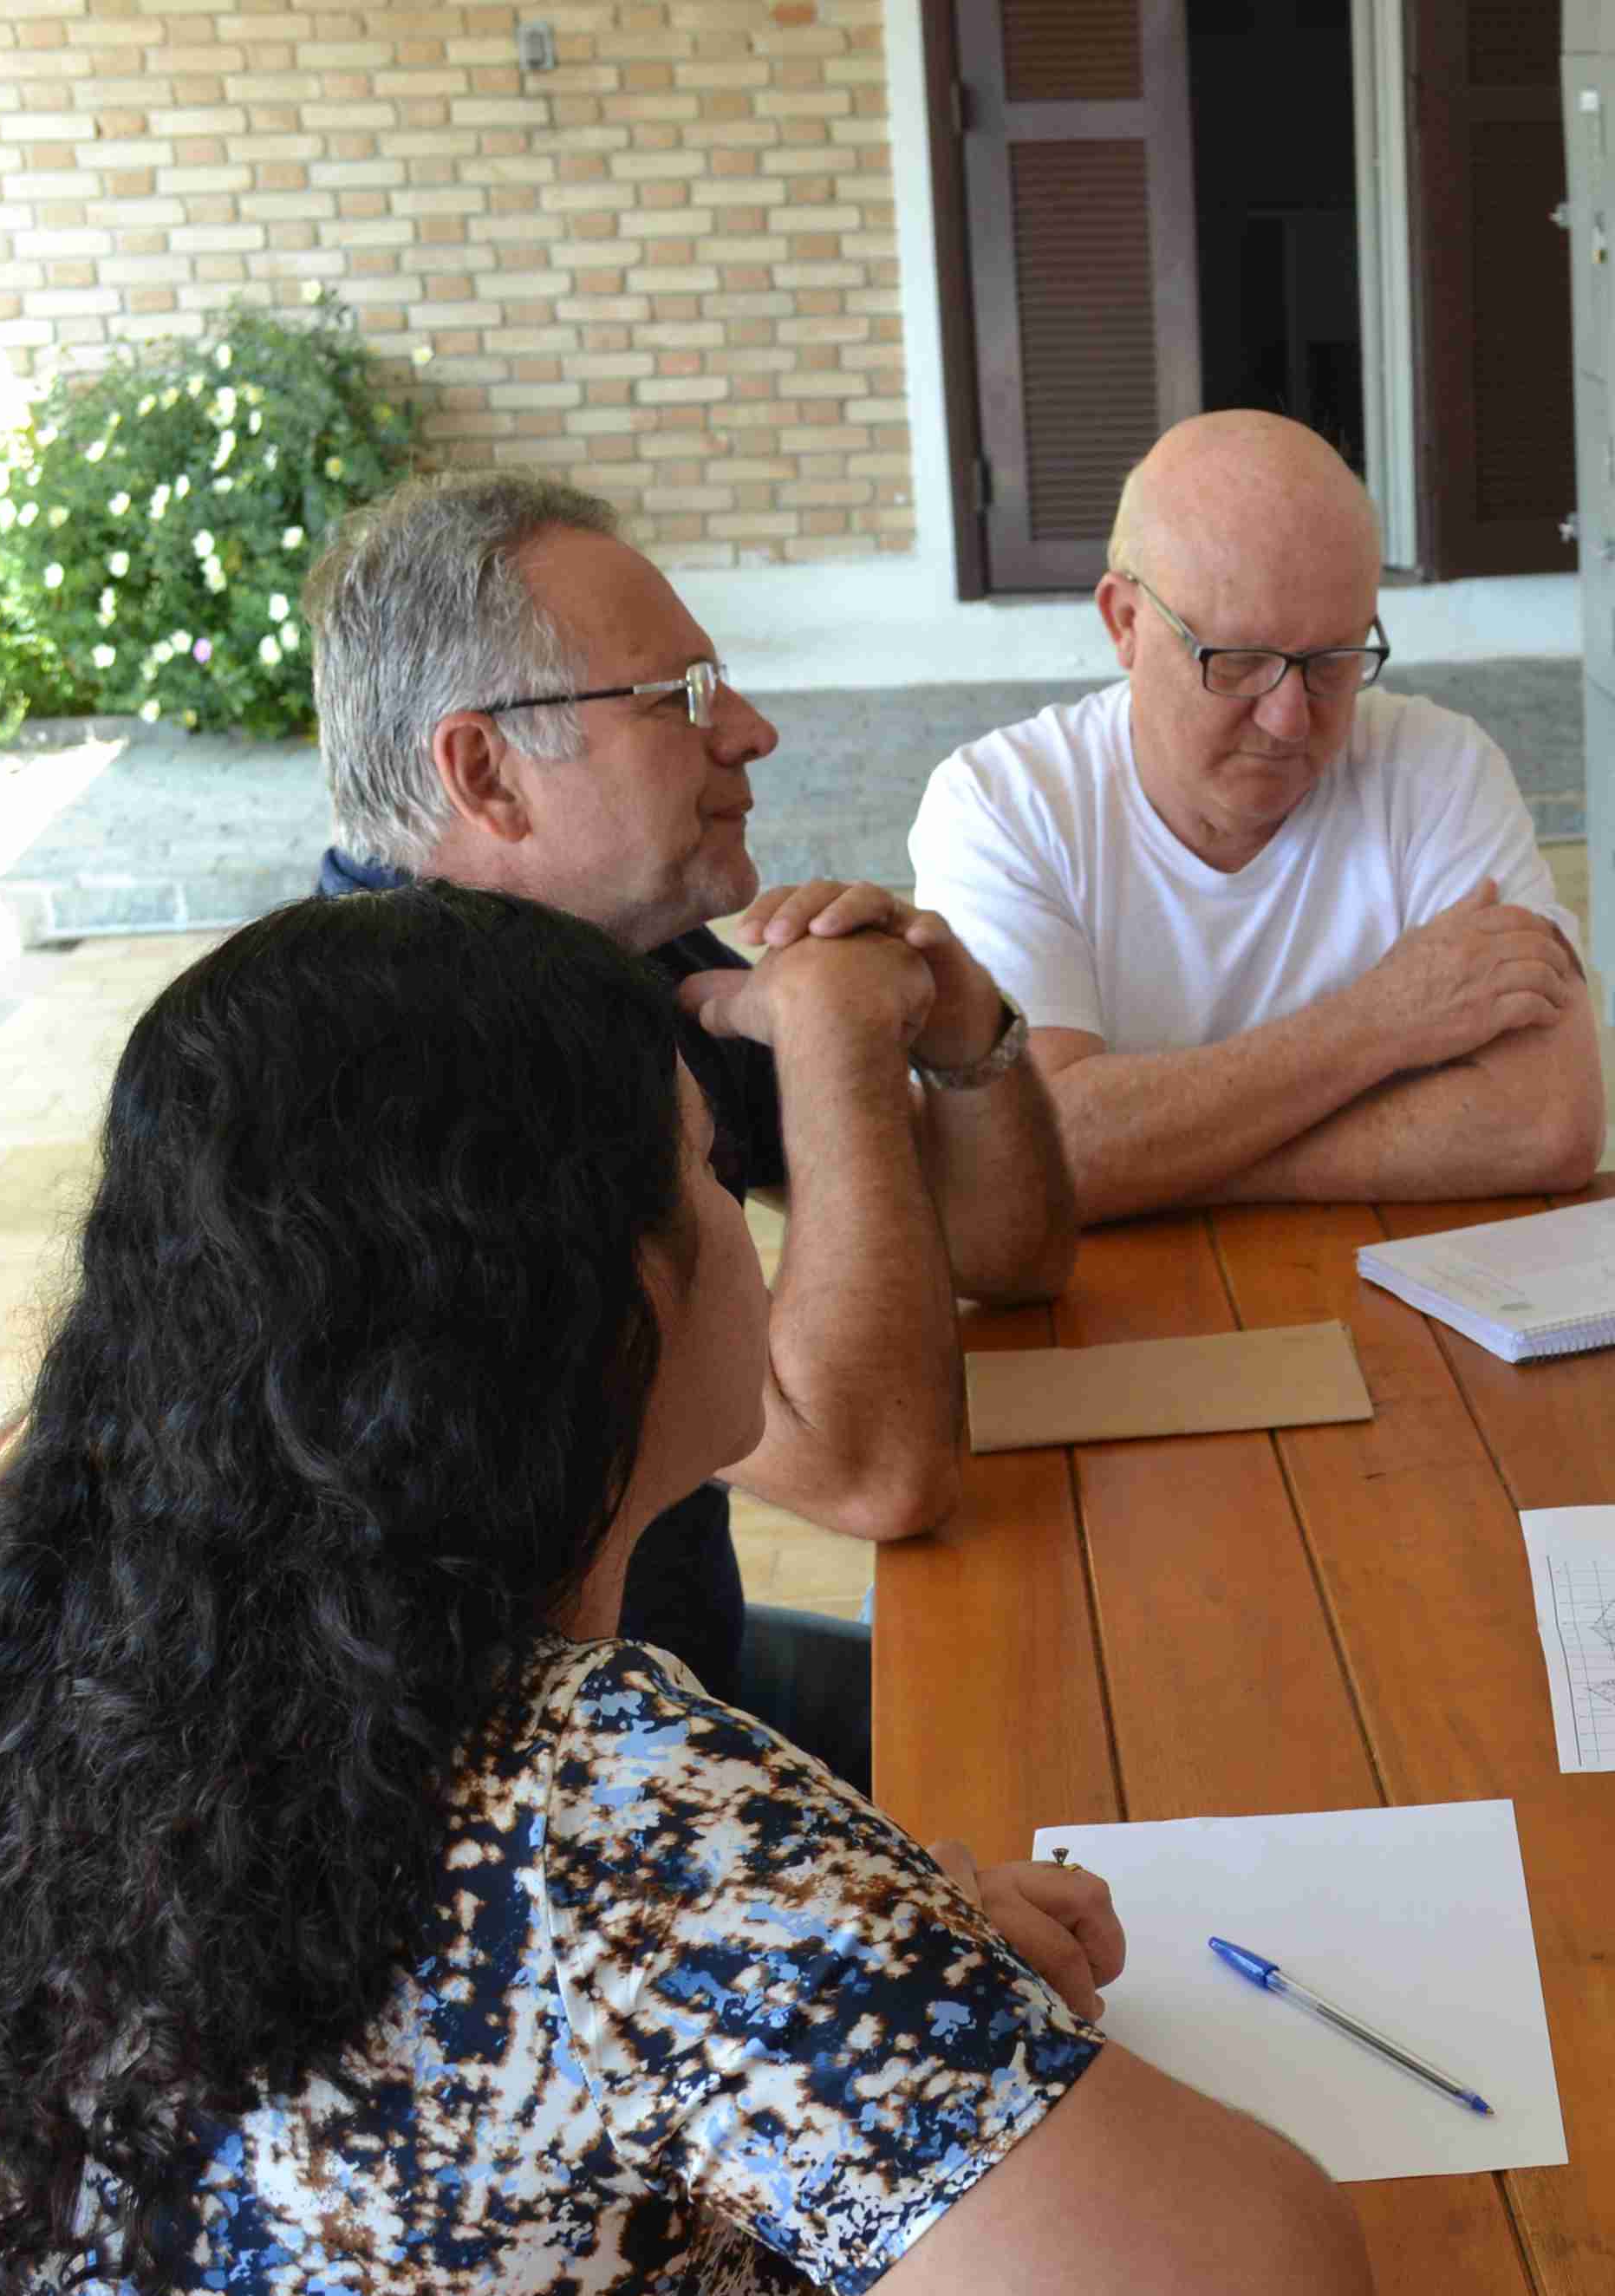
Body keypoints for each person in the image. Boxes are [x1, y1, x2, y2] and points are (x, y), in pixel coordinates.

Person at [0, 885, 1372, 2296]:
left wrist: (871, 1962)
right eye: (701, 1169)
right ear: (587, 1303)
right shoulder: (621, 1836)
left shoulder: (40, 1675)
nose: (746, 1227)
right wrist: (842, 1960)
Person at [307, 473, 1082, 1790]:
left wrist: (964, 1037)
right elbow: (873, 1476)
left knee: (1080, 1687)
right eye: (679, 701)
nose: (754, 733)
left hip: (666, 1685)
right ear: (486, 771)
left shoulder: (609, 955)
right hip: (513, 1826)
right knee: (1075, 1762)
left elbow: (1007, 1255)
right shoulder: (413, 1092)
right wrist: (836, 1044)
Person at [909, 410, 1605, 1223]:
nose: (1289, 720)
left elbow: (1550, 1124)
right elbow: (1038, 1148)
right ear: (1125, 623)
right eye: (1238, 663)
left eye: (1334, 663)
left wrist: (1150, 1163)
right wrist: (1380, 1019)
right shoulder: (1002, 804)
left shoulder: (1439, 769)